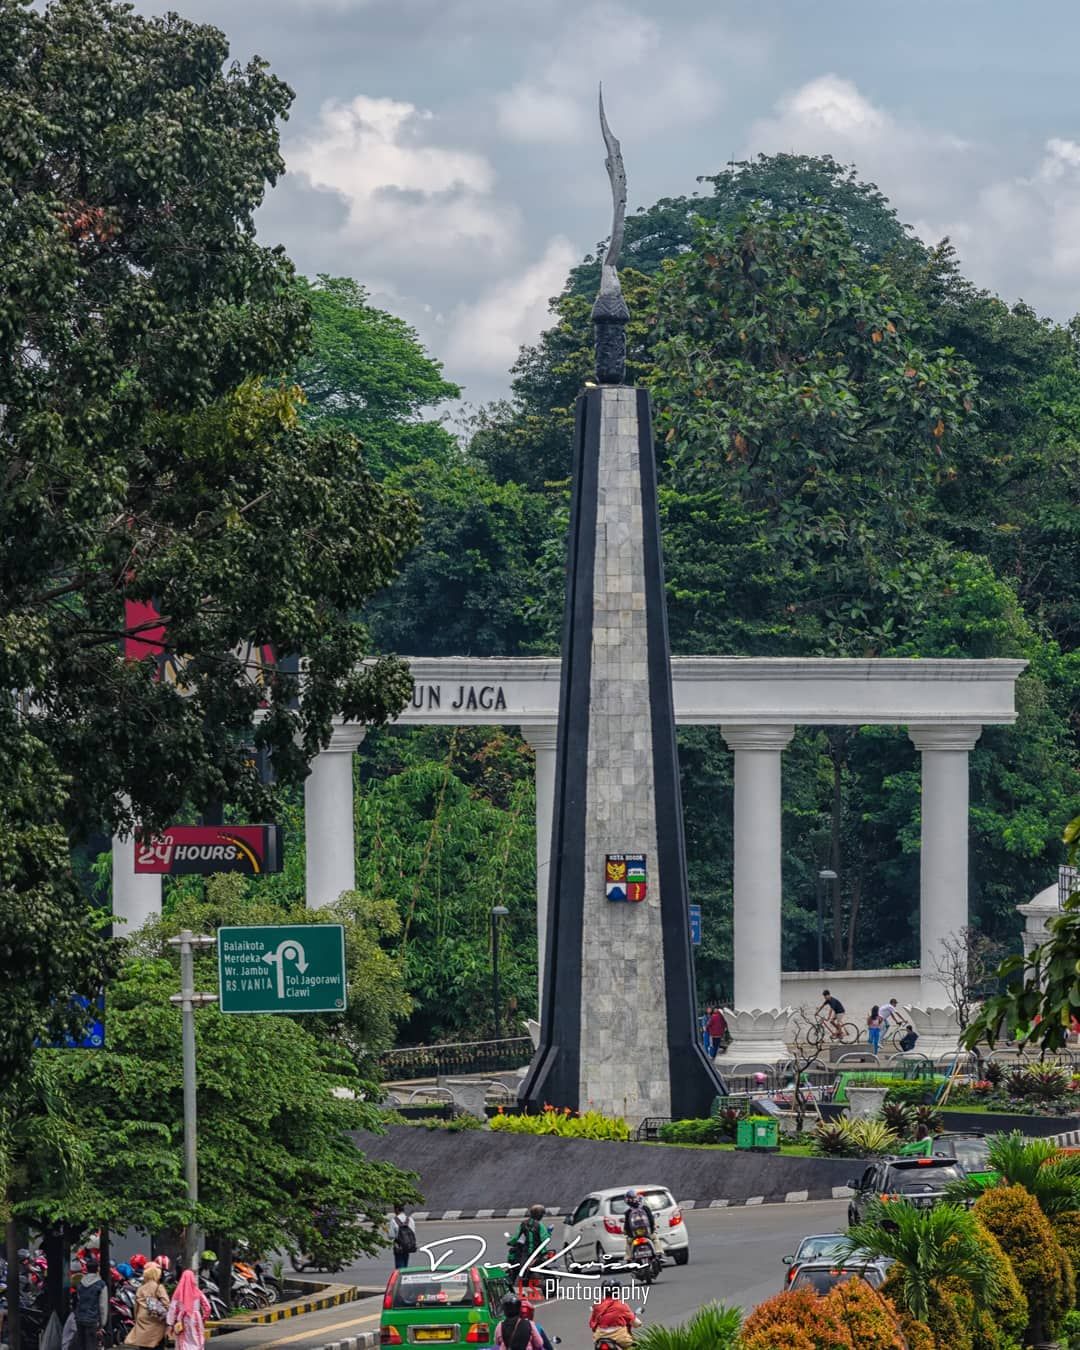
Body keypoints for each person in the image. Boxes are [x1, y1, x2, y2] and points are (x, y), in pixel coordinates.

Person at [125, 1262, 169, 1349]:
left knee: (143, 1343)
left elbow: (136, 1306)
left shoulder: (140, 1288)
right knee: (156, 1342)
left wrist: (136, 1318)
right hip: (155, 1318)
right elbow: (166, 1303)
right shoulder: (158, 1287)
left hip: (142, 1317)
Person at [166, 1269, 211, 1350]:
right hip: (196, 1319)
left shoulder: (178, 1293)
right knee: (196, 1340)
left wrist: (171, 1324)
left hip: (182, 1320)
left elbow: (173, 1309)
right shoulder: (198, 1292)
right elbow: (207, 1307)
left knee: (183, 1340)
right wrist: (203, 1319)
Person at [589, 1283, 640, 1349]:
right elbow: (635, 1323)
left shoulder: (597, 1305)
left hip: (599, 1337)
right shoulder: (622, 1305)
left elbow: (592, 1323)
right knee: (635, 1345)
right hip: (620, 1338)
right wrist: (638, 1324)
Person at [73, 1258, 109, 1350]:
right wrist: (102, 1324)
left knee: (81, 1345)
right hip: (93, 1319)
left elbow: (79, 1299)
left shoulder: (80, 1283)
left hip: (80, 1317)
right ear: (97, 1269)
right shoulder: (101, 1284)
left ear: (87, 1269)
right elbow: (102, 1306)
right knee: (91, 1345)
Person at [508, 1205, 549, 1272]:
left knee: (519, 1267)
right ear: (541, 1215)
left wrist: (510, 1242)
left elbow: (516, 1237)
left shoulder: (523, 1224)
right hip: (539, 1252)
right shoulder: (540, 1225)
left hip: (526, 1252)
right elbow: (545, 1239)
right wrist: (549, 1233)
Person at [621, 1191, 655, 1262]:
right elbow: (651, 1220)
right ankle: (659, 1252)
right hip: (647, 1233)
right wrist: (652, 1229)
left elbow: (627, 1225)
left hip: (634, 1235)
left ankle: (628, 1257)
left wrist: (626, 1232)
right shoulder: (645, 1208)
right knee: (655, 1238)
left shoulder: (628, 1212)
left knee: (629, 1242)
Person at [388, 1205, 417, 1269]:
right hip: (408, 1246)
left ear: (397, 1209)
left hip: (399, 1247)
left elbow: (391, 1236)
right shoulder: (410, 1219)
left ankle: (401, 1278)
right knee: (405, 1264)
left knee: (399, 1266)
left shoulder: (394, 1220)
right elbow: (413, 1232)